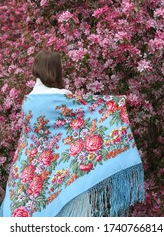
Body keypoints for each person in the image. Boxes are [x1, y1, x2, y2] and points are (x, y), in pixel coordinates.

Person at [1, 51, 144, 217]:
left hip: (27, 177)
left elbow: (28, 144)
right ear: (56, 70)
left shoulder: (28, 102)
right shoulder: (65, 99)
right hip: (61, 177)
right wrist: (116, 102)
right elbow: (93, 110)